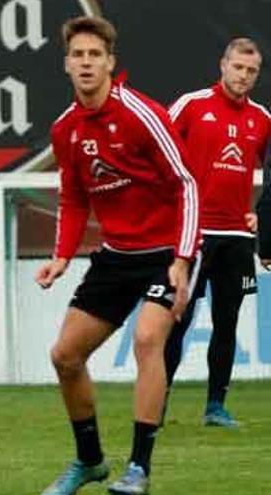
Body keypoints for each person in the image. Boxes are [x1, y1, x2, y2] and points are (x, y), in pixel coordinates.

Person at [35, 16, 199, 495]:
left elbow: (187, 184)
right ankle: (89, 462)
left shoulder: (142, 115)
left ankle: (139, 469)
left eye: (94, 55)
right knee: (65, 355)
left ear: (110, 63)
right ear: (66, 65)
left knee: (148, 340)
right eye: (78, 55)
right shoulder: (65, 129)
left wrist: (183, 259)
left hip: (167, 251)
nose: (86, 63)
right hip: (116, 255)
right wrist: (62, 255)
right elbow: (72, 198)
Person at [164, 37, 270, 428]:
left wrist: (262, 217)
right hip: (194, 235)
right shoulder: (191, 105)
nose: (243, 76)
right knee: (178, 319)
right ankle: (155, 405)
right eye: (238, 67)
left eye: (251, 71)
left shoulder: (262, 119)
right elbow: (158, 151)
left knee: (228, 322)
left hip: (237, 239)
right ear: (223, 65)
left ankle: (215, 407)